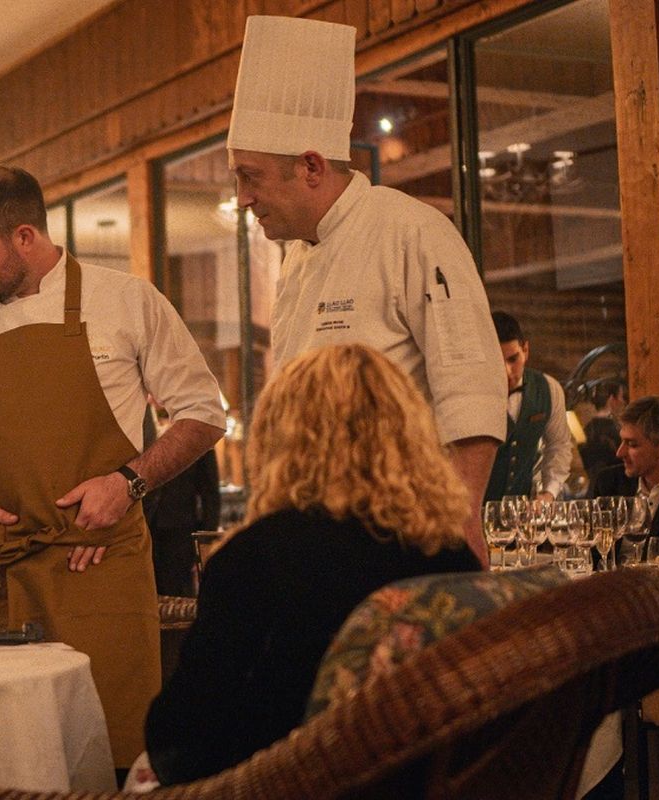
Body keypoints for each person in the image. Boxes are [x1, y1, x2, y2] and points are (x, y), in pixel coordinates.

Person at [0, 164, 226, 769]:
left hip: (100, 570)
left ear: (26, 237)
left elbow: (202, 414)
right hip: (0, 575)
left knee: (106, 754)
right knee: (4, 762)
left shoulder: (127, 301)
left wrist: (127, 484)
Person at [225, 15, 506, 563]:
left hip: (401, 531)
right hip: (312, 531)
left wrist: (464, 519)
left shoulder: (413, 230)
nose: (241, 198)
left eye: (250, 176)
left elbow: (470, 384)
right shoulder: (295, 257)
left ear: (309, 166)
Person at [143, 344, 481, 786]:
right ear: (409, 432)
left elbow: (181, 745)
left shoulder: (254, 558)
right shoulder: (451, 553)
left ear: (282, 437)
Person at [484, 311, 572, 501]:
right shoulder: (471, 395)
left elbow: (559, 445)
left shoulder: (549, 389)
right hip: (472, 512)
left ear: (525, 350)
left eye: (513, 359)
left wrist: (549, 492)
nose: (506, 371)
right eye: (497, 361)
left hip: (520, 515)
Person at [142, 403, 220, 597]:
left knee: (178, 593)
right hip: (146, 527)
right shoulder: (145, 429)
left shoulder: (198, 435)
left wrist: (206, 542)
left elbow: (210, 494)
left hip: (181, 530)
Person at [591, 395, 659, 552]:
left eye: (632, 444)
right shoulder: (608, 482)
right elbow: (593, 554)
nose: (619, 453)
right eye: (622, 441)